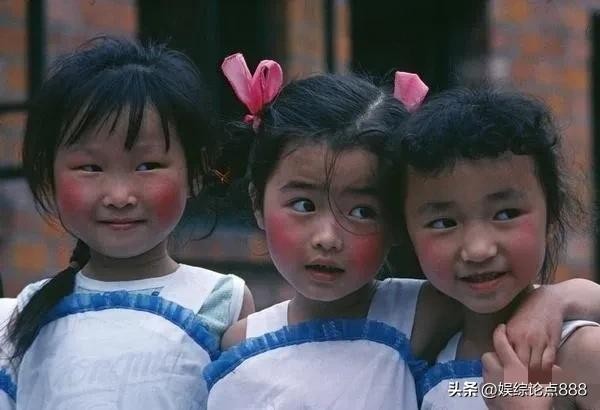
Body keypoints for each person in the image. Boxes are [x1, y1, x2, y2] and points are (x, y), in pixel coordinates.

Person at [203, 55, 596, 409]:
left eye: (362, 211)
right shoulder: (240, 343)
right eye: (304, 205)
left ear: (395, 221)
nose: (327, 237)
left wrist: (552, 301)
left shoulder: (426, 313)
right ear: (258, 203)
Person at [4, 37, 254, 410]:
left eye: (147, 166)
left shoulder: (220, 302)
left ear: (196, 171)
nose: (119, 196)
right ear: (49, 175)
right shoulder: (24, 314)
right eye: (91, 167)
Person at [400, 87, 600, 409]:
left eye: (506, 214)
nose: (478, 249)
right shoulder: (426, 351)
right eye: (444, 222)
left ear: (551, 215)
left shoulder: (580, 353)